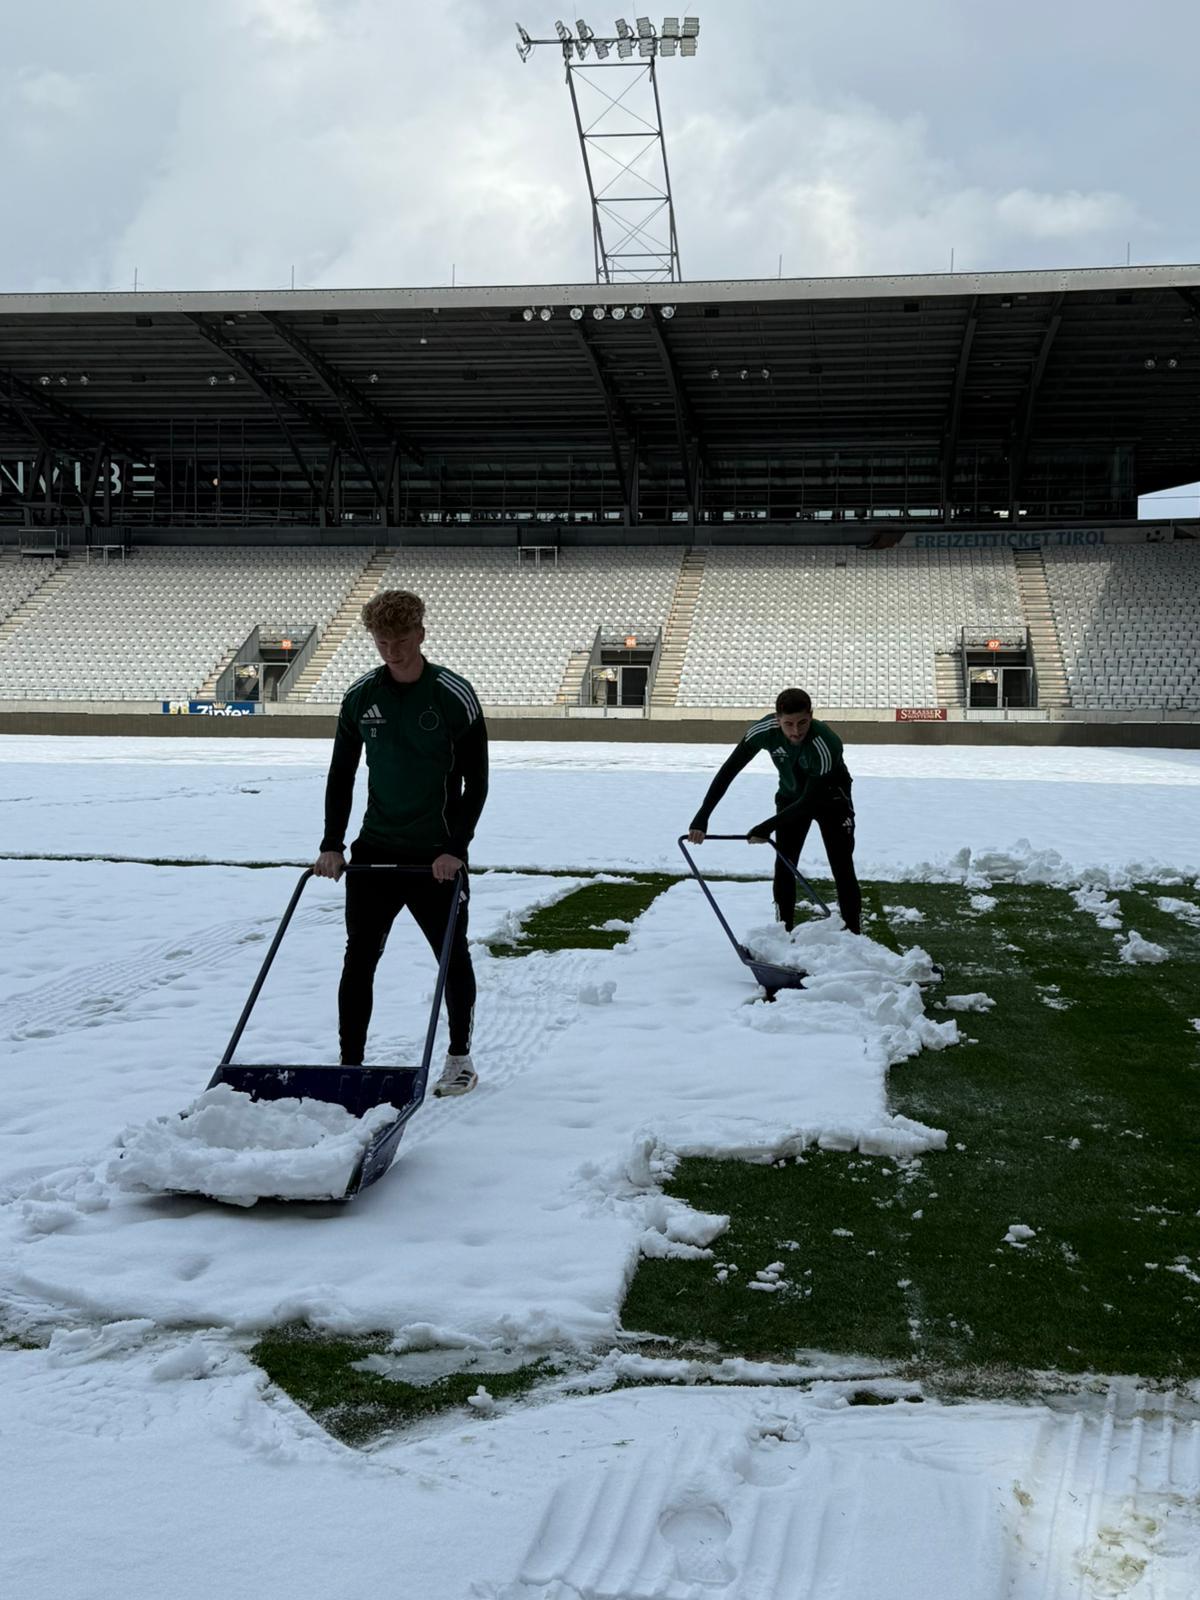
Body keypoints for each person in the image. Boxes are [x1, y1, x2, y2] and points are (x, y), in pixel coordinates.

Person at [314, 589, 488, 1096]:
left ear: (421, 635)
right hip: (374, 853)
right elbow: (340, 775)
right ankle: (351, 1063)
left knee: (452, 958)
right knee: (359, 959)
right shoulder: (361, 697)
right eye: (382, 641)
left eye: (402, 640)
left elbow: (476, 782)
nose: (393, 651)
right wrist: (332, 843)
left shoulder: (453, 695)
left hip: (437, 857)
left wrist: (456, 848)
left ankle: (459, 1059)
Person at [687, 687, 861, 935]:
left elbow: (810, 802)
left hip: (830, 800)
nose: (796, 731)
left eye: (803, 722)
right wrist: (702, 815)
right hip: (790, 797)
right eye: (788, 724)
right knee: (785, 865)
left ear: (811, 715)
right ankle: (783, 932)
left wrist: (765, 828)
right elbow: (729, 770)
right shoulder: (763, 731)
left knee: (841, 865)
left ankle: (854, 934)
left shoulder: (825, 743)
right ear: (777, 718)